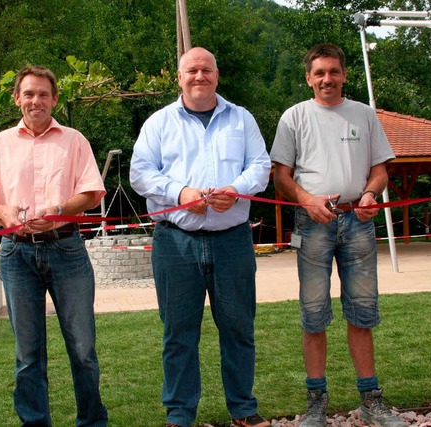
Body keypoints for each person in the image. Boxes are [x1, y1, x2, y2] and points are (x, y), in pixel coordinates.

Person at [129, 47, 272, 427]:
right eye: (191, 70)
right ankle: (179, 413)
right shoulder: (159, 123)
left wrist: (236, 189)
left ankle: (243, 408)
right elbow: (139, 172)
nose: (199, 77)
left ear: (217, 75)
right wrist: (179, 193)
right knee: (178, 333)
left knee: (239, 328)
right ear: (179, 77)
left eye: (206, 70)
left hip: (232, 241)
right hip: (176, 242)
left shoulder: (241, 120)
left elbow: (261, 165)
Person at [270, 44, 405, 427]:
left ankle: (371, 401)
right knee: (313, 315)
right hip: (313, 223)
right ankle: (316, 404)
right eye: (319, 73)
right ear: (308, 78)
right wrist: (308, 200)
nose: (326, 79)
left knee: (362, 312)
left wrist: (369, 194)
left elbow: (380, 171)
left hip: (358, 220)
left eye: (333, 71)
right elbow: (281, 176)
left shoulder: (364, 115)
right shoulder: (293, 117)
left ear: (344, 74)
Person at [0, 65, 108, 427]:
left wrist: (61, 210)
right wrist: (4, 212)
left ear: (55, 99)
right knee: (28, 355)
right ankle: (35, 423)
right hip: (17, 253)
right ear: (17, 99)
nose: (36, 100)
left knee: (83, 349)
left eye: (43, 94)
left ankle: (92, 422)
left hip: (66, 249)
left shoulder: (74, 140)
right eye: (29, 93)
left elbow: (92, 193)